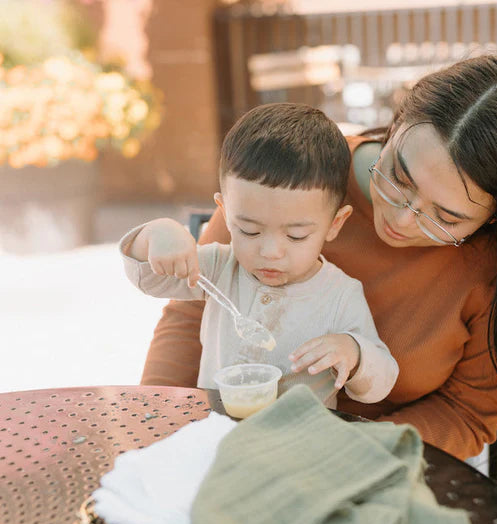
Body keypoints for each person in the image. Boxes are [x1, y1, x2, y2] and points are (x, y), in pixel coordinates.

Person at [140, 54, 497, 499]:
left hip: (378, 474)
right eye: (398, 177)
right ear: (395, 126)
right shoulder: (299, 170)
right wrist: (162, 429)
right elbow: (189, 316)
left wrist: (349, 453)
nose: (403, 220)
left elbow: (465, 412)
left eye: (445, 217)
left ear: (496, 218)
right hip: (222, 445)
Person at [121, 103, 399, 409]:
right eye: (249, 231)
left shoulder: (340, 295)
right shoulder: (219, 268)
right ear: (225, 213)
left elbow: (381, 383)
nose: (270, 253)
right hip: (217, 431)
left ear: (334, 224)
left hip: (300, 444)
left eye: (296, 236)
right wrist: (157, 234)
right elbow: (149, 280)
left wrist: (354, 354)